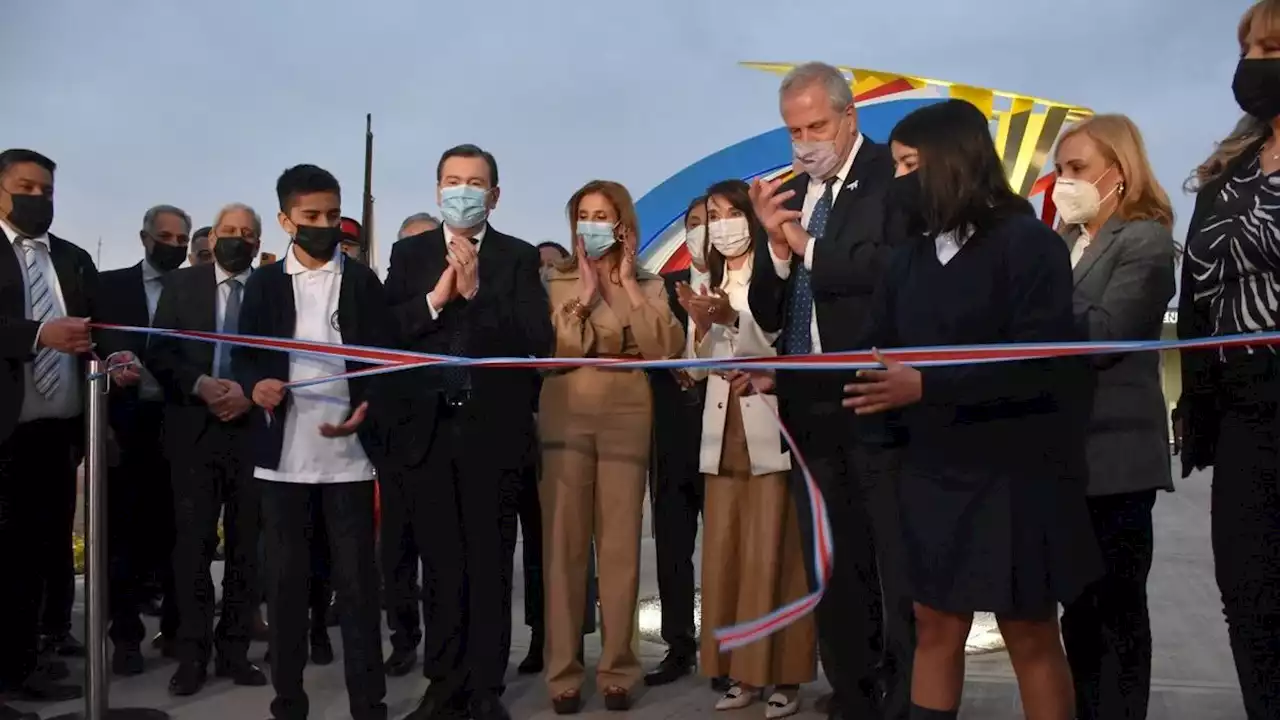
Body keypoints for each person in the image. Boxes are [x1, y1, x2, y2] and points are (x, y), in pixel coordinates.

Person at [842, 98, 1101, 720]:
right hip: (933, 469)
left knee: (1029, 631)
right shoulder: (908, 259)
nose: (897, 180)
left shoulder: (1028, 245)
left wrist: (928, 386)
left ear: (948, 161)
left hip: (1015, 471)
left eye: (908, 164)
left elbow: (1040, 363)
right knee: (934, 623)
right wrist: (782, 377)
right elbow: (876, 356)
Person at [745, 61, 909, 720]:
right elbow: (767, 303)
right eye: (793, 130)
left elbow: (882, 275)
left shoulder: (891, 182)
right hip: (807, 404)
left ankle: (904, 694)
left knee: (890, 558)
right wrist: (778, 251)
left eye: (816, 125)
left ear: (850, 118)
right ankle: (852, 689)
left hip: (871, 396)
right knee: (833, 561)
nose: (805, 141)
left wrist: (797, 240)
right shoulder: (791, 195)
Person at [385, 144, 551, 720]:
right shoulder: (408, 255)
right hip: (428, 432)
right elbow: (386, 334)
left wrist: (478, 295)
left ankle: (486, 688)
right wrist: (437, 299)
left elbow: (537, 340)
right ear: (437, 190)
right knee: (440, 564)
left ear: (495, 195)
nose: (463, 191)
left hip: (493, 431)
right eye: (453, 181)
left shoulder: (517, 257)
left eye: (475, 182)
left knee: (489, 561)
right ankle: (443, 681)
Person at [233, 164, 396, 720]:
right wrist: (257, 386)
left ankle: (367, 702)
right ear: (286, 220)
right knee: (285, 586)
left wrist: (366, 409)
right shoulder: (263, 284)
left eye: (331, 214)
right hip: (283, 461)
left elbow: (381, 362)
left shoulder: (363, 282)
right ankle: (288, 699)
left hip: (350, 461)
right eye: (311, 217)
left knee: (356, 589)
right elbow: (244, 354)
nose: (323, 225)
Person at [539, 180, 684, 714]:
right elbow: (557, 348)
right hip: (565, 412)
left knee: (621, 547)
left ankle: (619, 669)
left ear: (623, 223)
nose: (593, 225)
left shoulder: (648, 281)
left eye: (604, 215)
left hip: (627, 413)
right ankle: (563, 674)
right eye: (584, 215)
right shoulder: (554, 281)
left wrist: (623, 286)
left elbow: (664, 347)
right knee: (564, 548)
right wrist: (582, 300)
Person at [1051, 114, 1177, 720]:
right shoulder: (1062, 245)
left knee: (1118, 612)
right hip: (1064, 457)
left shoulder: (1145, 240)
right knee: (1078, 612)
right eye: (1059, 170)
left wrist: (1034, 308)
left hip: (1118, 458)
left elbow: (1105, 335)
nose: (1064, 182)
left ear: (1118, 172)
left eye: (1077, 169)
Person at [1177, 2, 1280, 715]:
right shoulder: (1231, 165)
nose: (1256, 64)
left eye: (1272, 47)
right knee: (1248, 592)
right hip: (1243, 404)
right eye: (1250, 49)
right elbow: (1197, 293)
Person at [687, 180, 816, 717]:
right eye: (712, 215)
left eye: (730, 212)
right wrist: (698, 328)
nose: (722, 224)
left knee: (775, 554)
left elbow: (778, 342)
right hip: (721, 433)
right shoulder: (705, 277)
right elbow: (692, 368)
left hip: (769, 424)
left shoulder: (779, 271)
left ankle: (784, 674)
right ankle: (740, 673)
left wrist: (730, 321)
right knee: (727, 556)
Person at [148, 202, 268, 695]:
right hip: (192, 431)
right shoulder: (182, 285)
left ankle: (235, 650)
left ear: (258, 242)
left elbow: (284, 351)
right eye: (228, 230)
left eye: (246, 232)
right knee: (192, 547)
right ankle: (191, 653)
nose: (236, 238)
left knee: (248, 549)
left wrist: (244, 390)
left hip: (252, 432)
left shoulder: (272, 288)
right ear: (213, 237)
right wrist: (199, 384)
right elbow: (161, 350)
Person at [0, 148, 91, 714]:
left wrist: (118, 355)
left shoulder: (74, 260)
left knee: (36, 555)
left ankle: (22, 664)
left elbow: (95, 331)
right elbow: (43, 332)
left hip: (57, 435)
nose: (40, 199)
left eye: (48, 191)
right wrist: (37, 335)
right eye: (27, 188)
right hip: (3, 435)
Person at [94, 204, 190, 674]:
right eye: (165, 237)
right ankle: (125, 637)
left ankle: (175, 630)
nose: (173, 246)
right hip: (125, 425)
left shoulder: (195, 288)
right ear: (144, 237)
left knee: (179, 534)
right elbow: (90, 347)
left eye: (181, 240)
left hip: (180, 424)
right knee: (124, 537)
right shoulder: (108, 287)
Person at [519, 240, 599, 676]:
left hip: (565, 434)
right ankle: (539, 634)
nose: (547, 273)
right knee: (536, 550)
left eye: (554, 266)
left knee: (566, 545)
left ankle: (571, 639)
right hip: (521, 437)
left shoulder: (570, 314)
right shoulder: (521, 315)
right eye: (540, 267)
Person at [644, 195, 711, 688]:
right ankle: (678, 645)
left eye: (711, 221)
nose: (702, 231)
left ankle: (728, 649)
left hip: (726, 432)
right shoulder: (663, 289)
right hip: (670, 434)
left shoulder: (746, 286)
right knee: (672, 546)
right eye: (692, 223)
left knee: (727, 546)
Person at [378, 212, 441, 678]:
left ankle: (444, 644)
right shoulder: (387, 300)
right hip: (398, 439)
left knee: (441, 554)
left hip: (448, 436)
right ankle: (403, 638)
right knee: (397, 552)